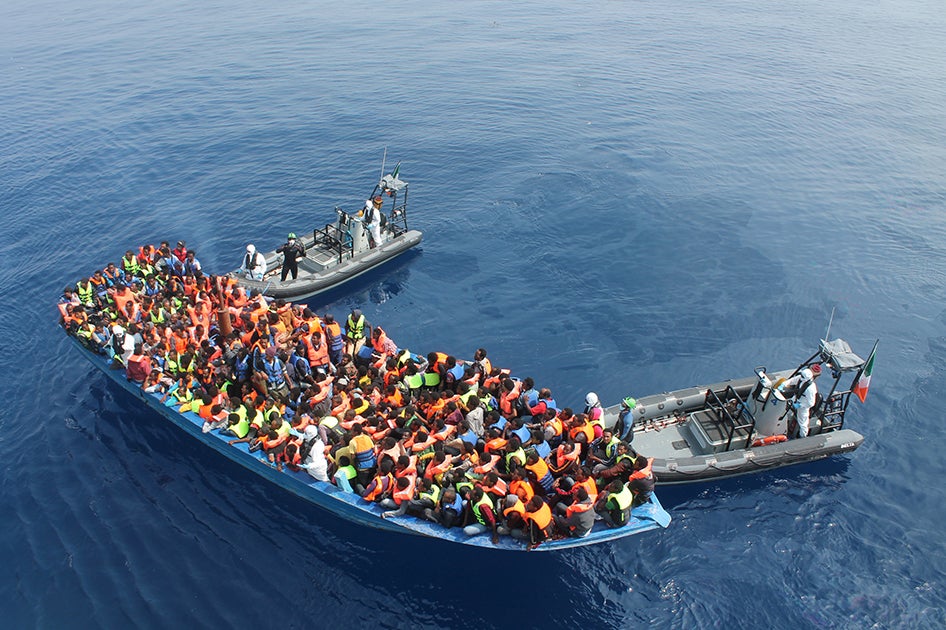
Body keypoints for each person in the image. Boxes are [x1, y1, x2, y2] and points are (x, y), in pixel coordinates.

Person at [780, 365, 821, 438]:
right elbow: (792, 380)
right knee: (784, 410)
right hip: (795, 399)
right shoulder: (801, 378)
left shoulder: (810, 388)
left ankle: (802, 436)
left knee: (803, 423)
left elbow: (811, 403)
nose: (801, 377)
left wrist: (800, 405)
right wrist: (783, 384)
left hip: (803, 405)